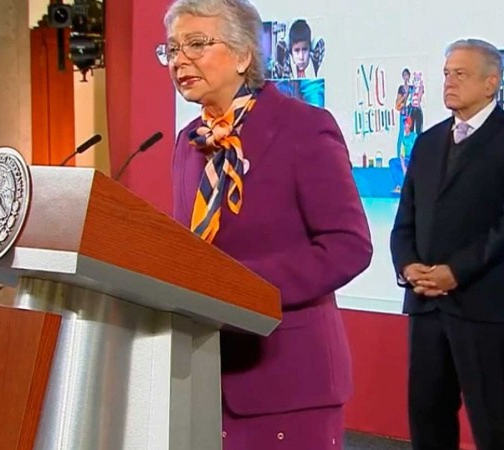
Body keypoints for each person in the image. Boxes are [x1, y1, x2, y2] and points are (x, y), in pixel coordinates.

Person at [156, 1, 372, 448]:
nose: (179, 60)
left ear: (243, 55)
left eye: (196, 44)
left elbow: (348, 246)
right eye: (172, 49)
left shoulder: (303, 128)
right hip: (201, 375)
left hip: (287, 379)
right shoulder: (188, 141)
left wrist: (240, 286)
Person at [390, 38, 504, 450]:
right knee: (428, 422)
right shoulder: (427, 142)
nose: (449, 82)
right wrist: (408, 266)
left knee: (498, 426)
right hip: (425, 307)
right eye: (446, 73)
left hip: (486, 308)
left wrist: (456, 272)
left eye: (460, 74)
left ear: (491, 83)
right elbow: (405, 220)